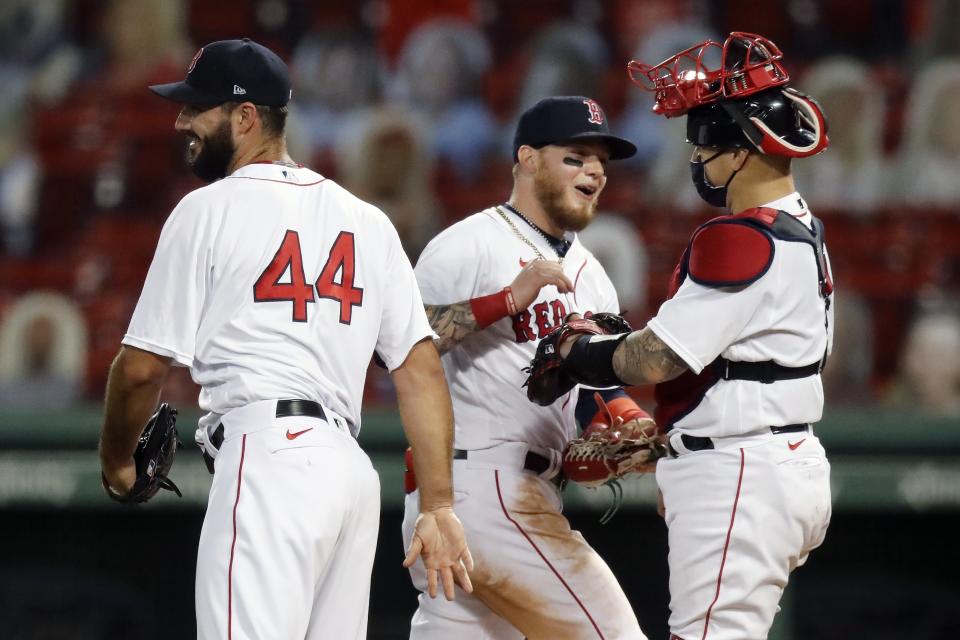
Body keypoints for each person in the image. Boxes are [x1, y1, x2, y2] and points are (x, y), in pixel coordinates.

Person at [96, 38, 473, 640]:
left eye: (198, 107)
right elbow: (420, 370)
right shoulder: (367, 221)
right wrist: (439, 505)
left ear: (246, 118)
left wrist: (117, 462)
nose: (181, 120)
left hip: (268, 457)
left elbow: (141, 369)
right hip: (350, 480)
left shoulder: (207, 209)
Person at [540, 34, 835, 639]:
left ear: (744, 150)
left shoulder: (741, 236)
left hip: (741, 469)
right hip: (777, 460)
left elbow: (655, 358)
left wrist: (578, 350)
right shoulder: (805, 225)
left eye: (704, 141)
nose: (696, 158)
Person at [403, 96, 651, 639]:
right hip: (481, 486)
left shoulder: (593, 275)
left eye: (601, 162)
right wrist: (506, 301)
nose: (594, 170)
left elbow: (593, 392)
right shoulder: (469, 244)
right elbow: (396, 346)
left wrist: (620, 429)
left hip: (533, 489)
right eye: (576, 156)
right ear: (529, 159)